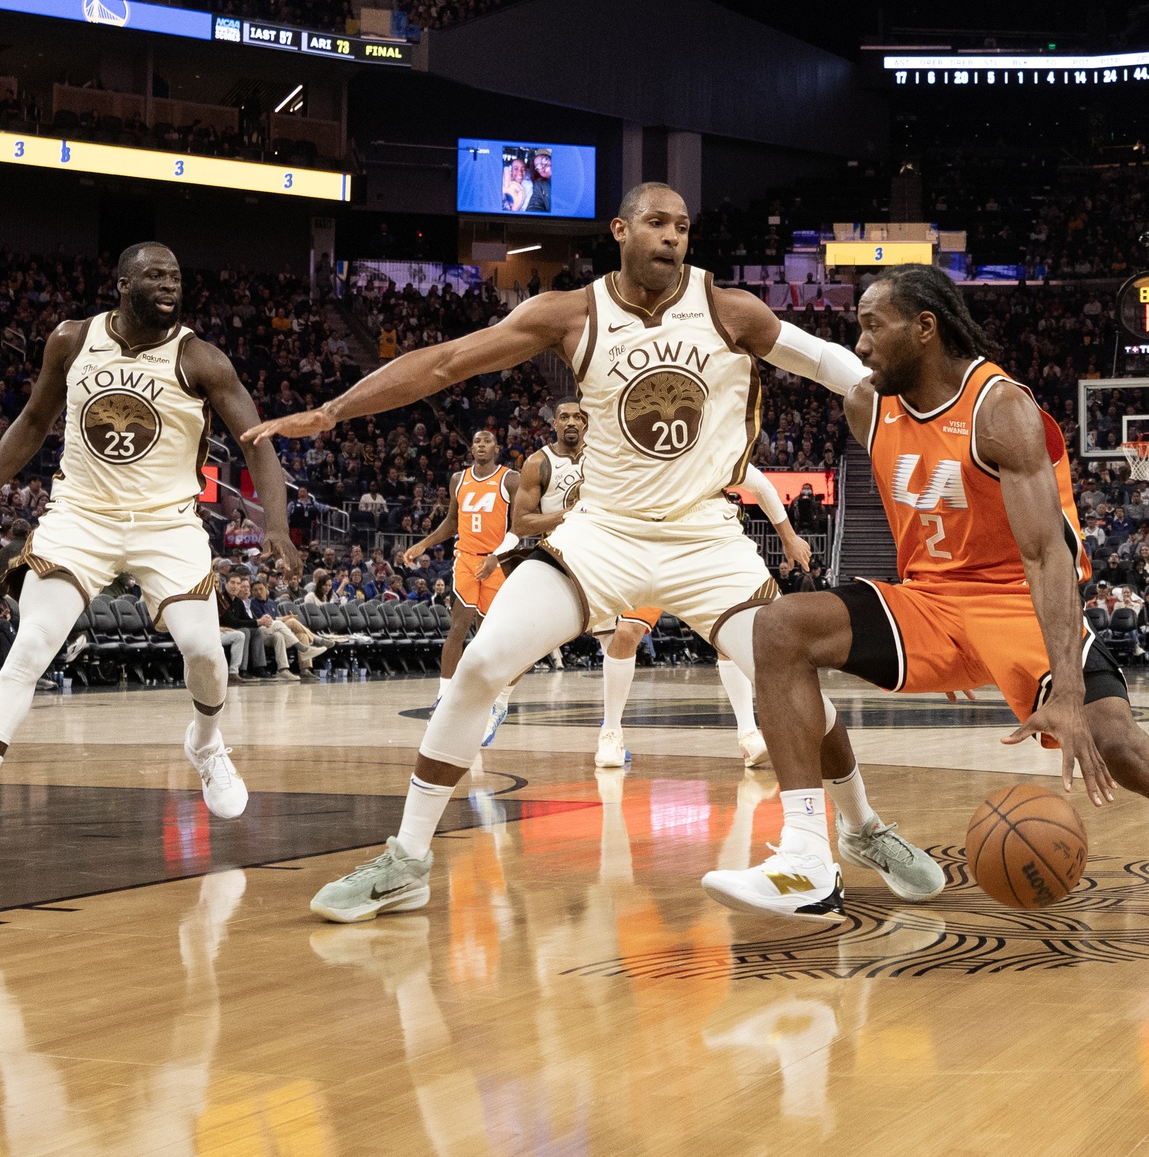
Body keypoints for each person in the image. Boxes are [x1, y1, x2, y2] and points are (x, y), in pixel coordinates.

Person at [249, 181, 897, 924]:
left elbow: (830, 365)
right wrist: (333, 410)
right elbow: (446, 363)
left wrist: (915, 405)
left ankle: (863, 827)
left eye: (683, 226)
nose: (672, 237)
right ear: (620, 230)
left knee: (791, 684)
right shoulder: (569, 312)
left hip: (704, 534)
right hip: (604, 532)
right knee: (482, 665)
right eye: (657, 223)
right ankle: (406, 859)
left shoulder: (730, 309)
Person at [747, 263, 1149, 963]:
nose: (860, 342)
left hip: (1017, 604)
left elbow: (1047, 559)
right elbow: (788, 343)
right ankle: (808, 854)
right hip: (929, 601)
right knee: (779, 627)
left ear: (925, 327)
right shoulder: (866, 403)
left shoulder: (1001, 410)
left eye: (871, 325)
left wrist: (1068, 693)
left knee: (1124, 748)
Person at [0, 242, 300, 867]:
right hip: (79, 517)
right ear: (122, 282)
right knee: (30, 646)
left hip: (167, 524)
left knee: (202, 651)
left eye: (176, 275)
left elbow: (256, 443)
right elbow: (31, 422)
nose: (170, 283)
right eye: (156, 274)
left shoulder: (200, 358)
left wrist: (276, 522)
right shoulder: (71, 340)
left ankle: (207, 743)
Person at [500, 397, 810, 768]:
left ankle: (748, 735)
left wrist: (789, 537)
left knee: (735, 638)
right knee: (624, 633)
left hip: (701, 554)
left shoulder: (707, 448)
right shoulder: (619, 454)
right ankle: (609, 733)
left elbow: (759, 484)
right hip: (640, 551)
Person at [399, 428, 525, 745]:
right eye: (477, 440)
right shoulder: (458, 479)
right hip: (466, 559)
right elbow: (452, 522)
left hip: (496, 562)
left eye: (487, 440)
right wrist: (423, 544)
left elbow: (519, 525)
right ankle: (444, 696)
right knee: (459, 623)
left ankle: (488, 699)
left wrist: (497, 557)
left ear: (497, 447)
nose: (481, 444)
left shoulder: (510, 479)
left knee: (491, 635)